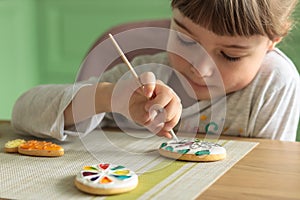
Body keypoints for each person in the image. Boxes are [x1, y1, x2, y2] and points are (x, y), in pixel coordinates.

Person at [12, 0, 300, 141]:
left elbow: (264, 177)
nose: (199, 68)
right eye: (186, 40)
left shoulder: (273, 85)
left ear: (272, 43)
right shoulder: (147, 76)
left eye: (229, 55)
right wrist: (109, 97)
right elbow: (23, 112)